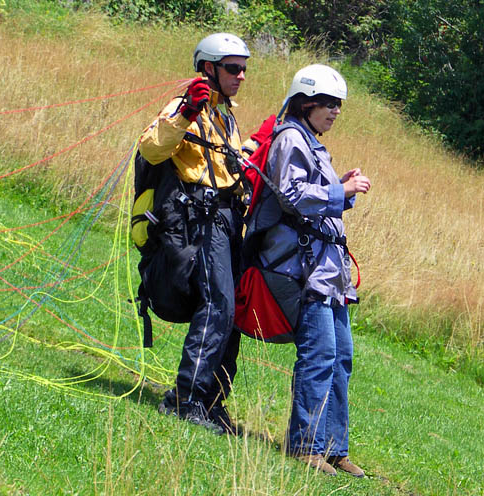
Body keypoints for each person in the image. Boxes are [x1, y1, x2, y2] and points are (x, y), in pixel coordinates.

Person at [246, 64, 371, 475]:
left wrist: (340, 186)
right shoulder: (290, 139)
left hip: (328, 271)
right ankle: (305, 446)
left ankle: (335, 448)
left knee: (341, 359)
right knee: (319, 355)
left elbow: (317, 197)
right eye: (329, 104)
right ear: (307, 102)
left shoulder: (311, 143)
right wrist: (341, 189)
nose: (335, 111)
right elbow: (292, 195)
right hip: (301, 269)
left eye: (339, 105)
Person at [138, 33, 250, 435]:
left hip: (227, 218)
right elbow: (152, 148)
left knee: (231, 311)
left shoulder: (226, 116)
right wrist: (186, 111)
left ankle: (212, 400)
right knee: (217, 304)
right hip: (199, 221)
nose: (240, 76)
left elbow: (227, 166)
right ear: (209, 67)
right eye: (233, 68)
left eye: (243, 69)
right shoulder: (186, 106)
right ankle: (186, 398)